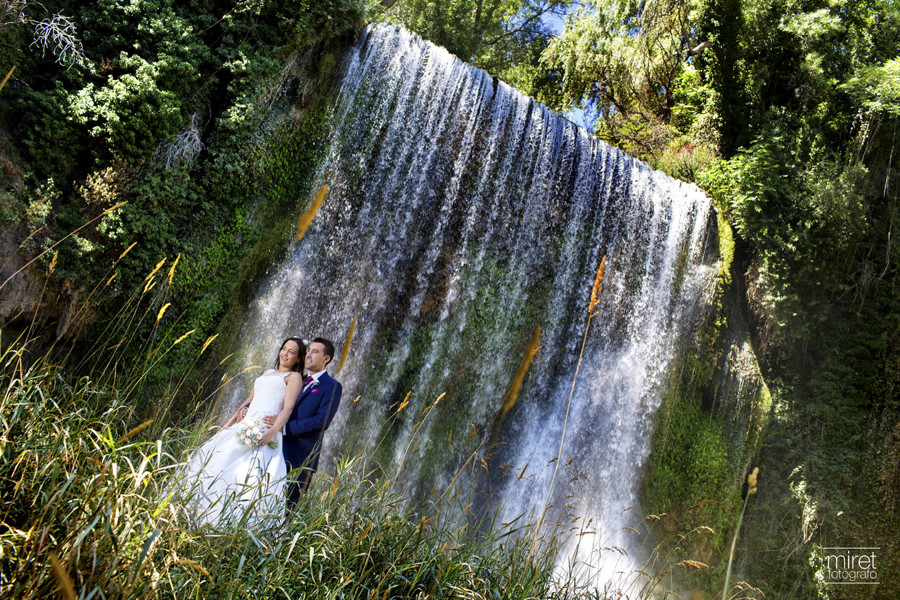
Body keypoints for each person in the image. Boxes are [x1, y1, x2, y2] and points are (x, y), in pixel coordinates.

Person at [184, 337, 305, 525]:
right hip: (246, 424)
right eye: (283, 349)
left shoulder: (294, 377)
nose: (285, 354)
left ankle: (234, 524)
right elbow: (248, 401)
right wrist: (227, 425)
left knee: (252, 477)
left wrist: (272, 431)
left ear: (298, 359)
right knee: (217, 460)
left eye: (291, 352)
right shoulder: (267, 373)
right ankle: (198, 513)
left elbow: (287, 408)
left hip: (264, 429)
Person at [264, 337, 342, 507]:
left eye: (315, 352)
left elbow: (322, 421)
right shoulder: (295, 378)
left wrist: (284, 427)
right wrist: (247, 407)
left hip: (300, 457)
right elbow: (271, 396)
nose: (308, 355)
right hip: (274, 448)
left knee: (286, 508)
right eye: (308, 350)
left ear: (326, 359)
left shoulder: (332, 386)